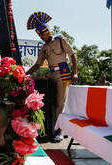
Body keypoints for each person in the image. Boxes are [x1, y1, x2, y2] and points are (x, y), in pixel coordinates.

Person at [25, 12, 77, 142]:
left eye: (43, 33)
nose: (42, 36)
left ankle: (59, 131)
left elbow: (73, 55)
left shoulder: (60, 40)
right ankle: (52, 128)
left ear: (48, 30)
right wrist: (24, 74)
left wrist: (75, 72)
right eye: (40, 34)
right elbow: (37, 65)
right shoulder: (44, 48)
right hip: (52, 74)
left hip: (64, 74)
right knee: (52, 102)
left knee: (60, 103)